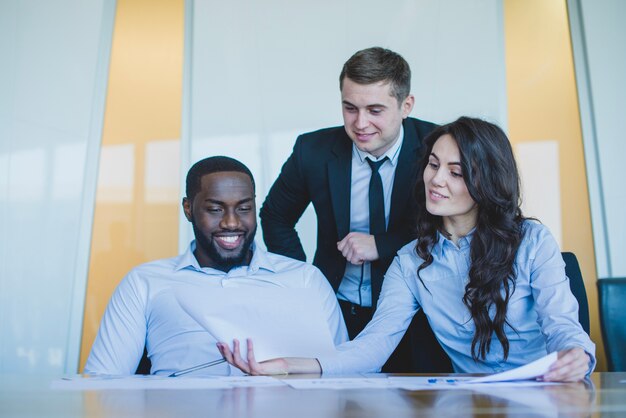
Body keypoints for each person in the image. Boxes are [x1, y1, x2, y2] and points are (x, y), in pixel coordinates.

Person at [218, 117, 596, 382]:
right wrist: (286, 365)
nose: (436, 179)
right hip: (473, 401)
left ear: (487, 181)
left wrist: (578, 357)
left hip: (548, 391)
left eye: (455, 171)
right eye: (433, 165)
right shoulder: (411, 260)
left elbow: (562, 324)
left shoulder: (532, 240)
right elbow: (373, 347)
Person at [260, 47, 442, 371]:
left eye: (375, 110)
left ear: (406, 105)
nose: (360, 123)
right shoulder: (312, 150)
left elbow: (455, 224)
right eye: (350, 108)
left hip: (419, 314)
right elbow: (275, 215)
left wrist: (382, 244)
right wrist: (302, 279)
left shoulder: (439, 147)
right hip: (335, 313)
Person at [85, 156, 347, 376]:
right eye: (215, 210)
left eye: (244, 208)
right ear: (188, 209)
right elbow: (102, 384)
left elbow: (344, 373)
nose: (232, 223)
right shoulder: (144, 283)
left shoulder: (305, 279)